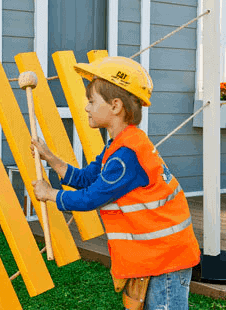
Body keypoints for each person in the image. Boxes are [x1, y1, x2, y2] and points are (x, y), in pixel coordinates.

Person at [31, 56, 200, 310]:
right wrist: (51, 158)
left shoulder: (126, 156)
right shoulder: (121, 145)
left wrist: (50, 194)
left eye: (92, 101)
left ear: (116, 106)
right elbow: (89, 178)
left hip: (166, 259)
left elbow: (91, 197)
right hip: (157, 255)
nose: (87, 108)